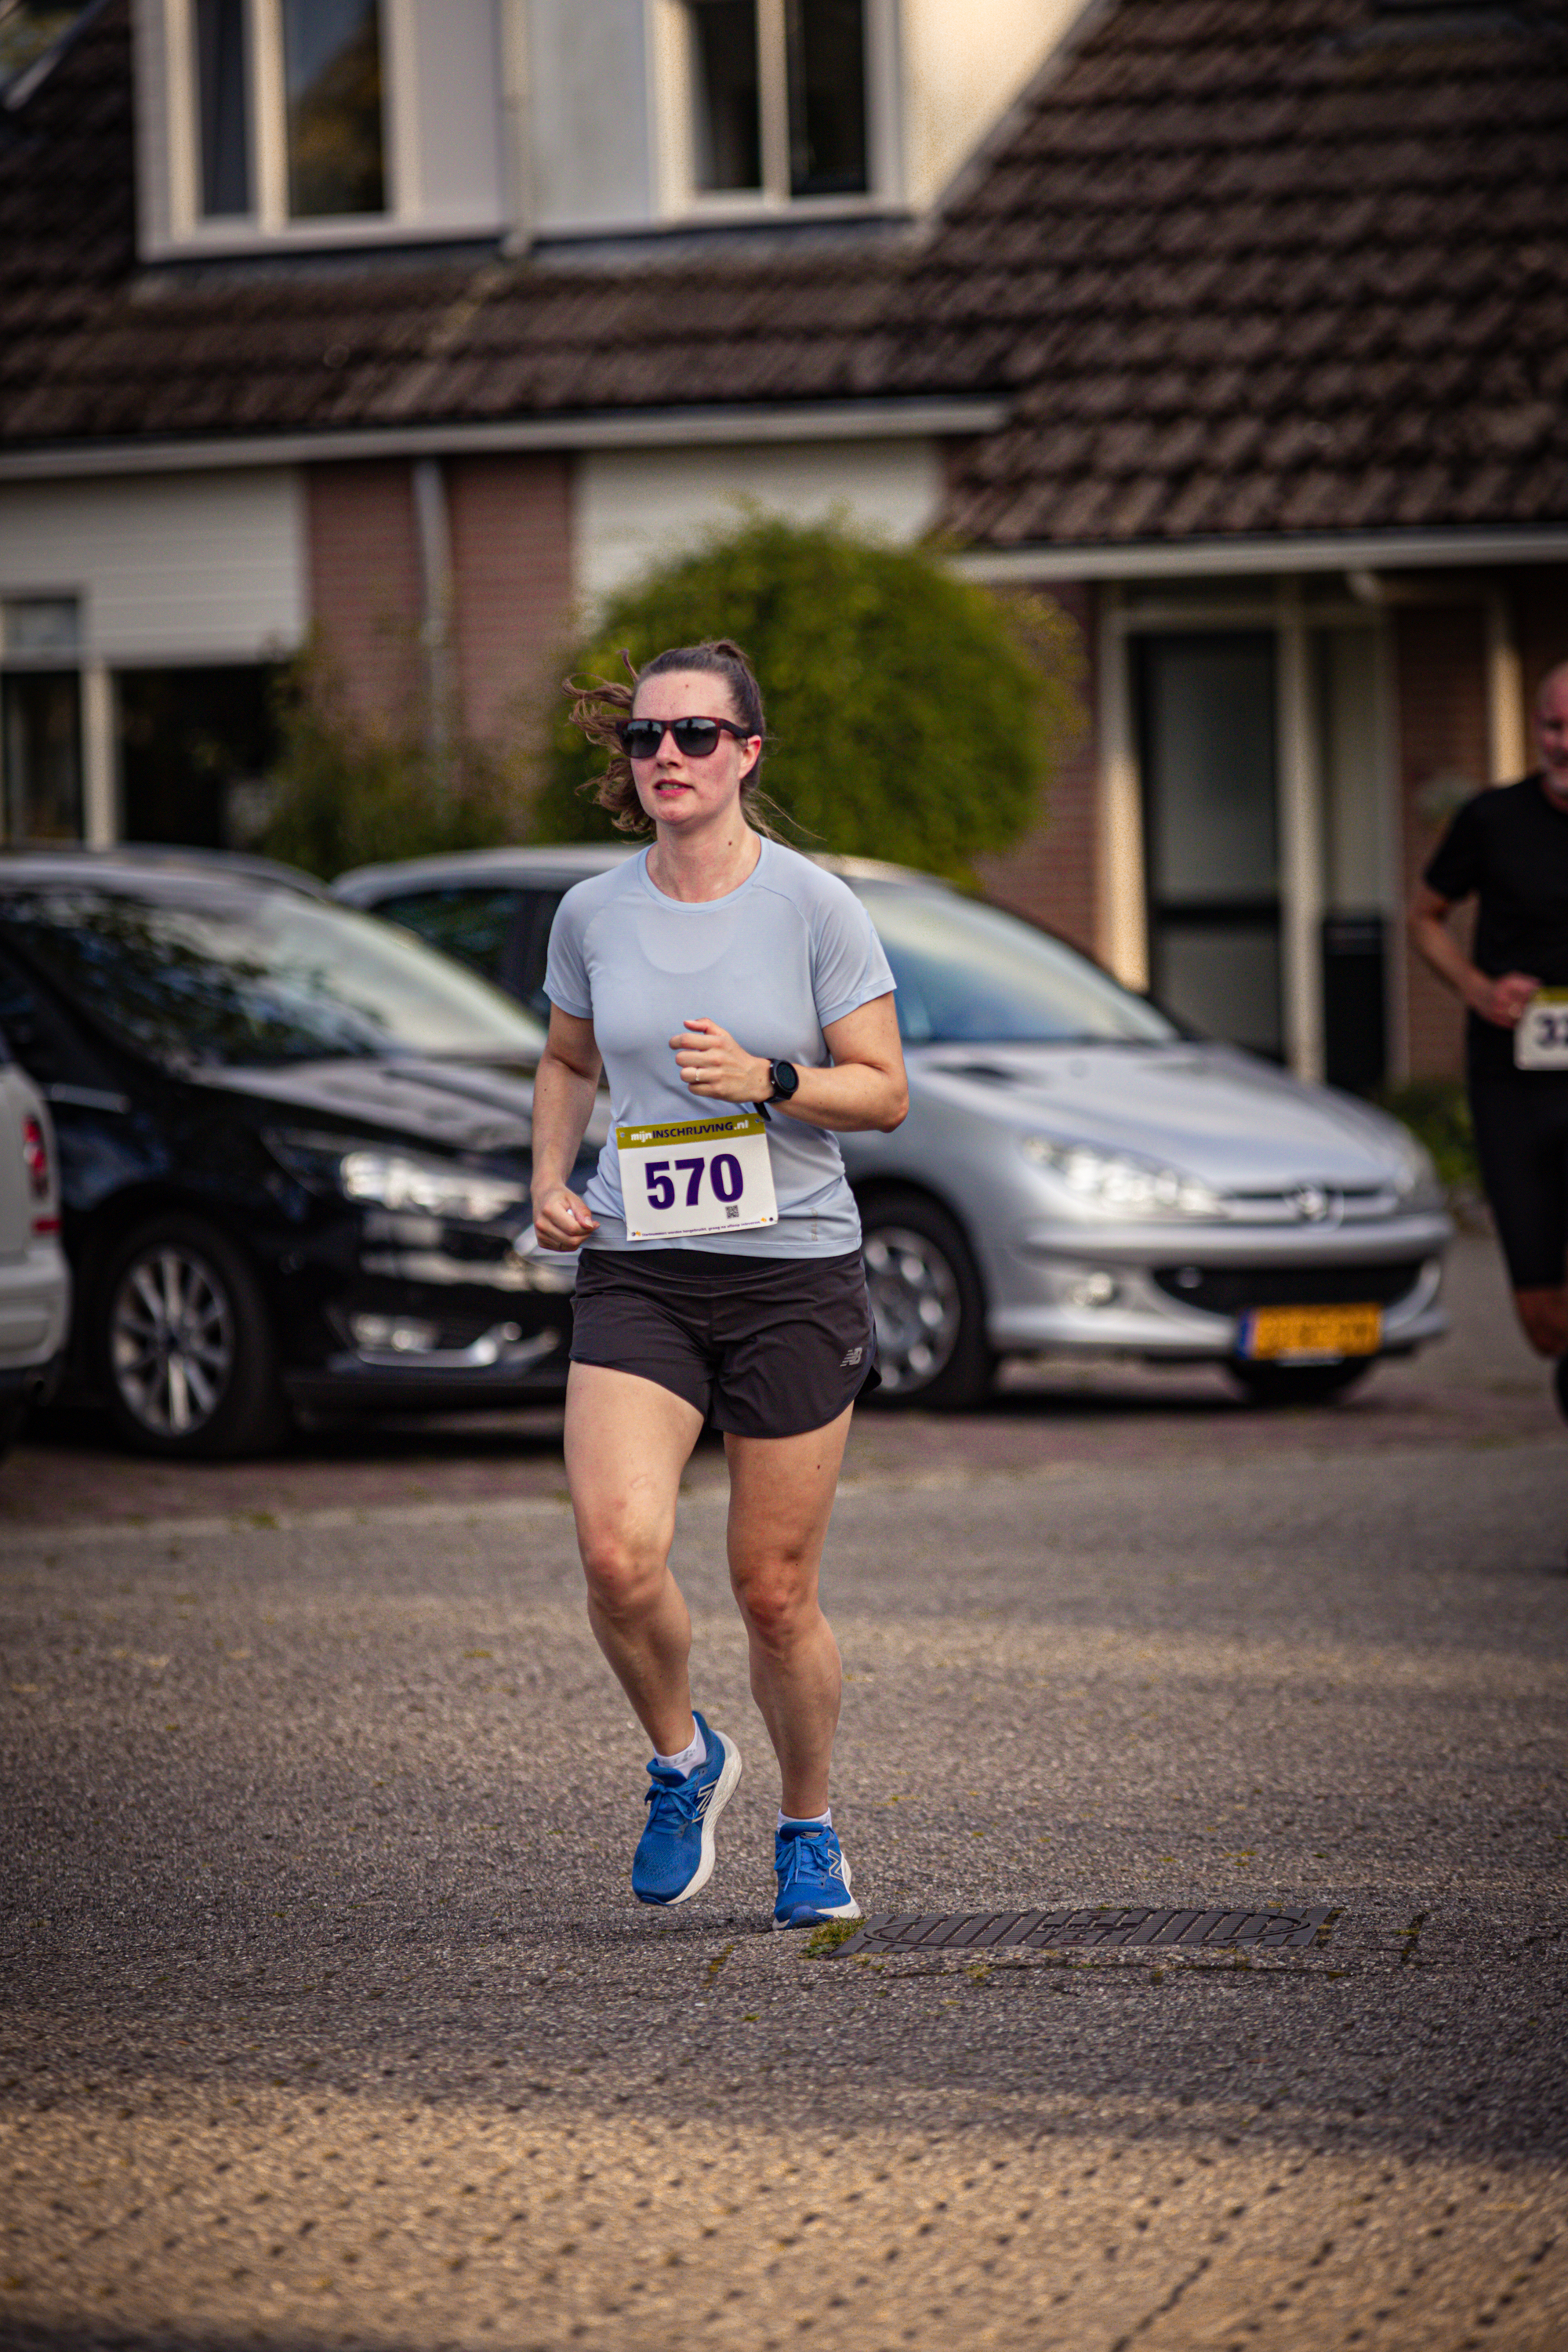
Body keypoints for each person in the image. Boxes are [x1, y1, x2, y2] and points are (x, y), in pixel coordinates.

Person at [528, 638, 908, 1928]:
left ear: (747, 752)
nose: (667, 756)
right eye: (645, 736)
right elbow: (568, 1060)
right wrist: (550, 1178)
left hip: (792, 1273)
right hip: (641, 1264)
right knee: (615, 1552)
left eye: (695, 734)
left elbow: (886, 1093)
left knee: (773, 1592)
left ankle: (810, 1827)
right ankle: (684, 1760)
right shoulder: (593, 913)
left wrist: (771, 1080)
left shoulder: (814, 907)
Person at [1410, 660, 1568, 1423]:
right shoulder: (1492, 819)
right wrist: (1477, 988)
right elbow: (1423, 917)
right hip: (1512, 1083)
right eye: (1553, 726)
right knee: (1543, 1324)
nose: (1564, 743)